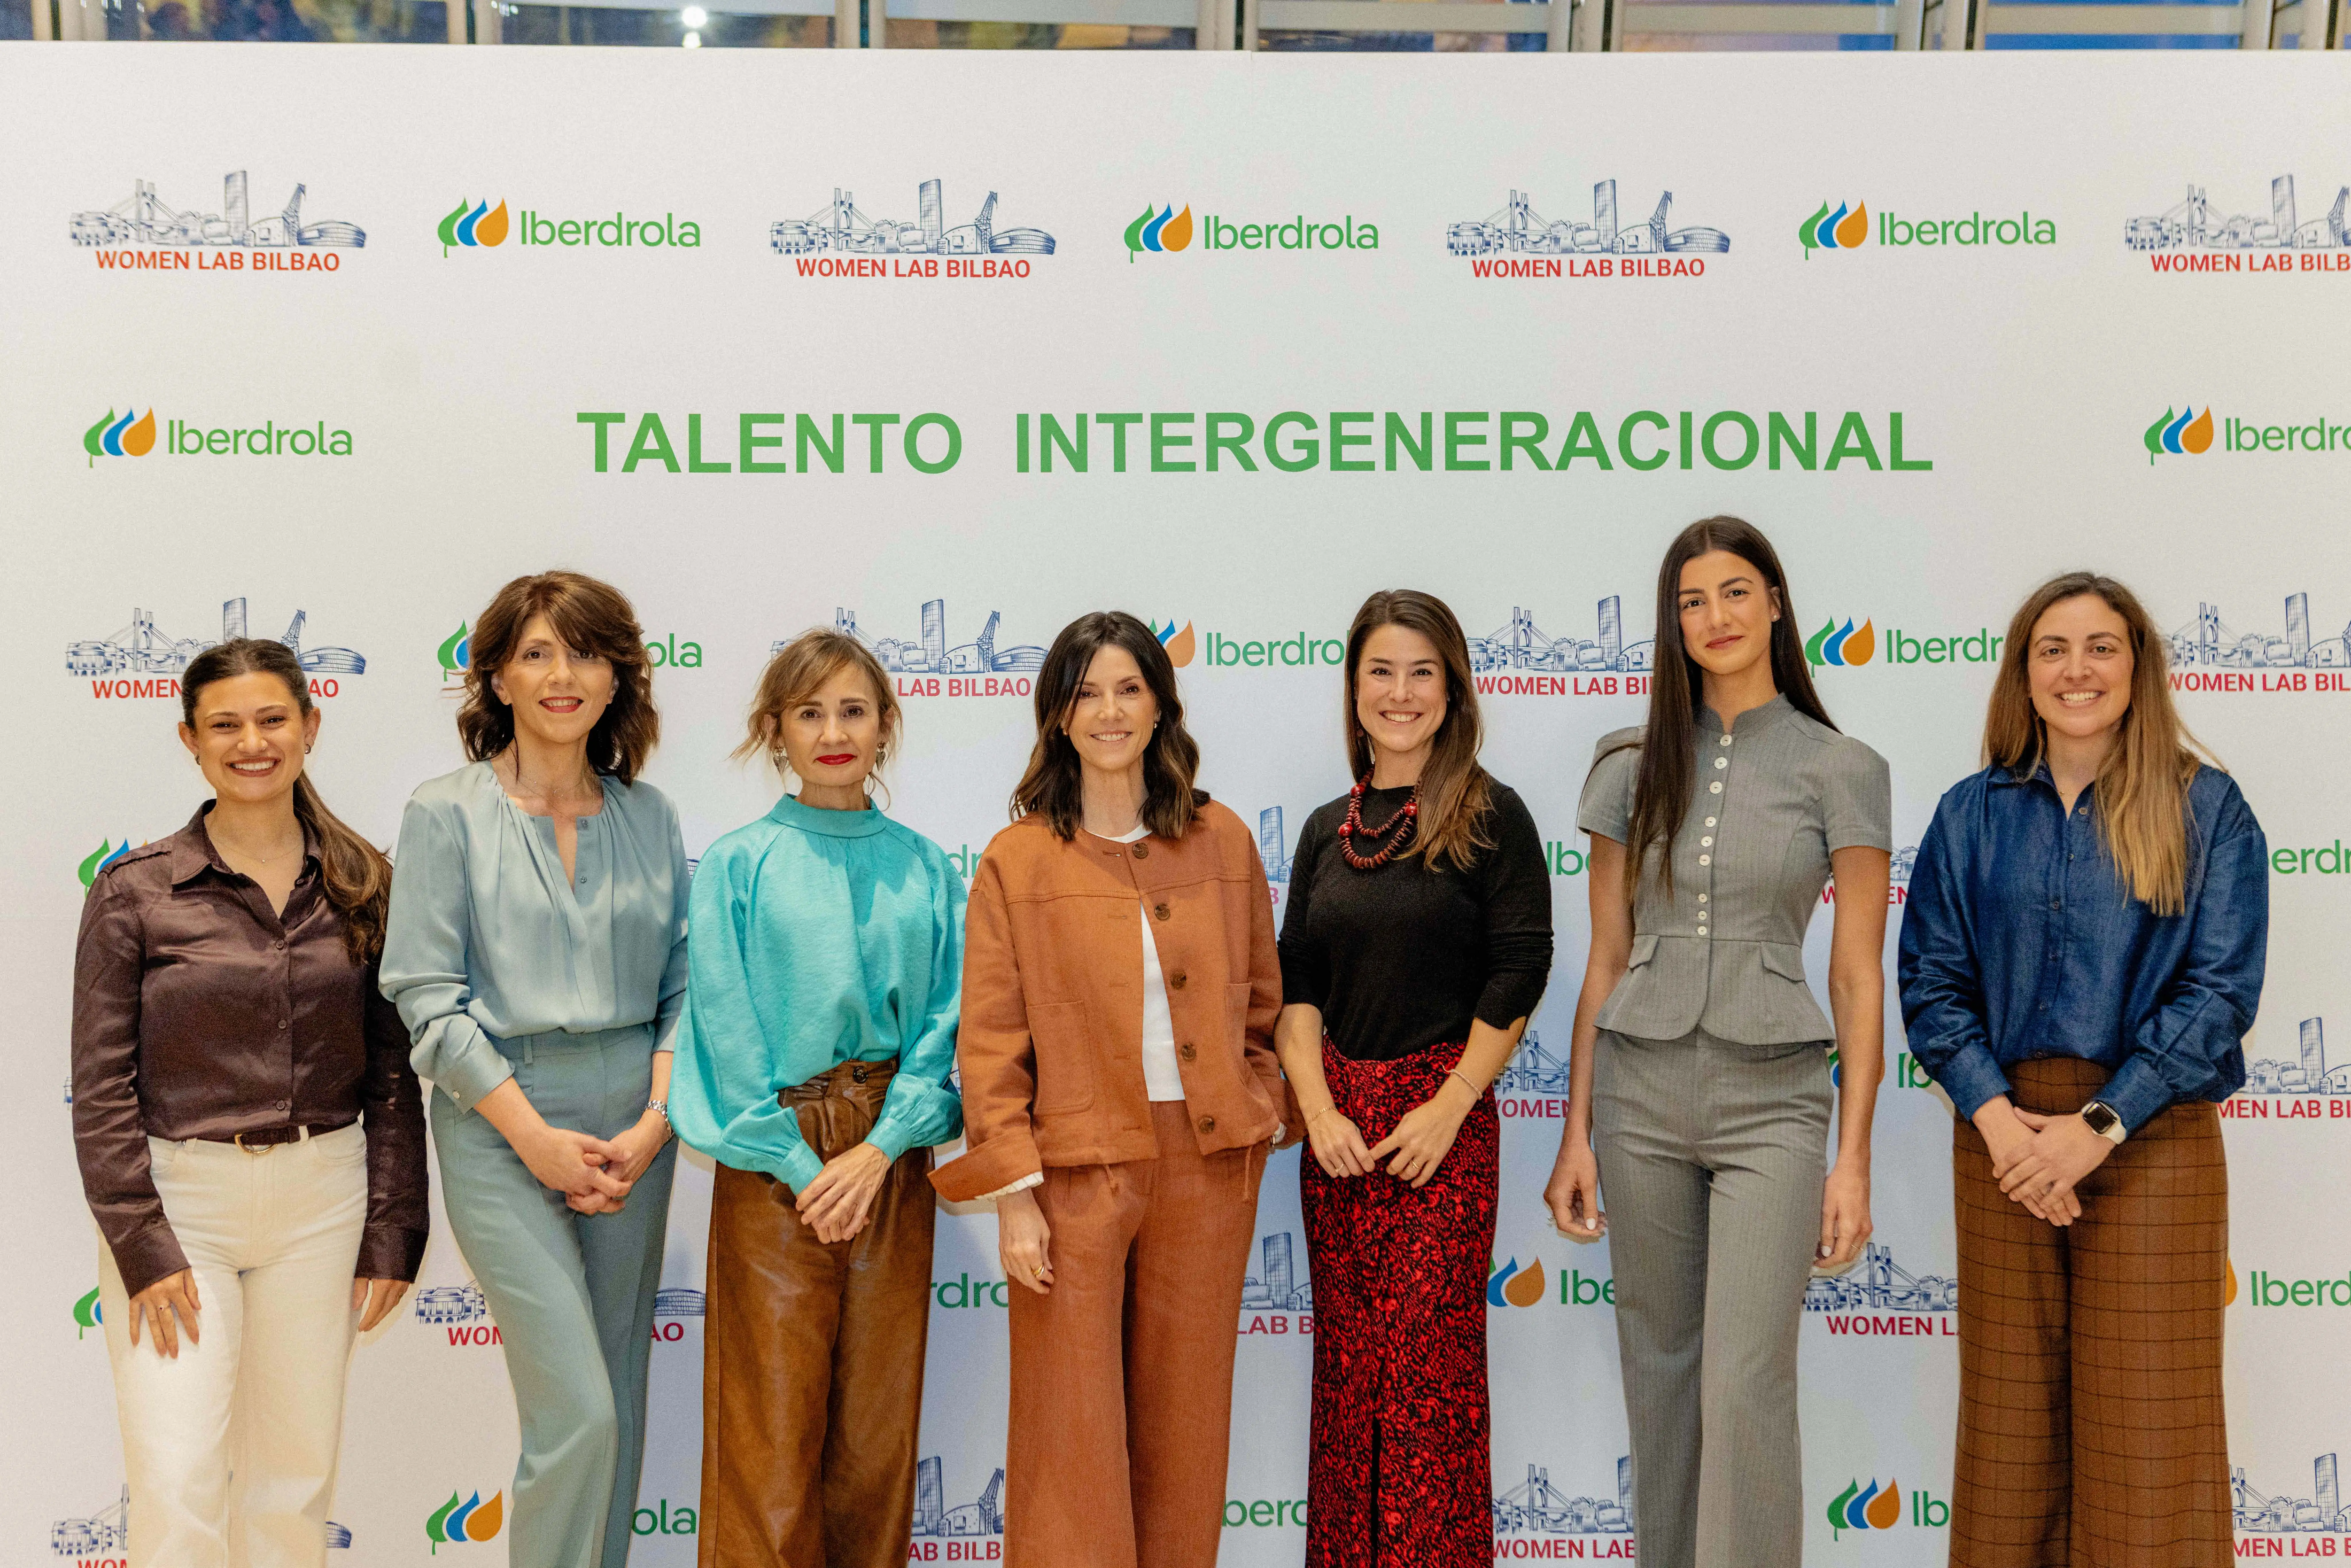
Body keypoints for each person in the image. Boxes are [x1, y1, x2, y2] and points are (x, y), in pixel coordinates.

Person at [1543, 517, 1891, 1568]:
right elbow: (1605, 961)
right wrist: (1576, 1135)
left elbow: (1857, 970)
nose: (1715, 618)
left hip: (1774, 1102)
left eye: (1736, 593)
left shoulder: (1845, 767)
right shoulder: (1628, 763)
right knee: (1660, 1371)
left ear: (1776, 604)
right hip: (1638, 1095)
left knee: (1743, 1381)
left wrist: (1855, 1158)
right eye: (1692, 601)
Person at [1899, 572, 2265, 1568]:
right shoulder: (1971, 813)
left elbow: (2220, 992)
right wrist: (1996, 1117)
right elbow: (1931, 979)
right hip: (2004, 1140)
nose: (2077, 669)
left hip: (2152, 1137)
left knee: (2147, 1434)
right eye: (2052, 649)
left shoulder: (2209, 807)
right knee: (2013, 1433)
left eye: (2101, 646)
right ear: (2023, 674)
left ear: (2138, 667)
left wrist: (2098, 1126)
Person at [930, 610, 1286, 1568]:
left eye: (1129, 687)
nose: (1110, 710)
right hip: (1073, 1175)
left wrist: (1255, 1111)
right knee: (1068, 1437)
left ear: (1163, 706)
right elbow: (991, 1046)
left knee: (1185, 1430)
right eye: (1087, 691)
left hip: (1207, 1171)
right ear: (1056, 715)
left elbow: (1262, 1004)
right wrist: (1014, 1199)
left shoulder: (1224, 842)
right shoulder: (1019, 859)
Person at [72, 637, 428, 1568]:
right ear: (190, 740)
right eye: (224, 725)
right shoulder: (135, 892)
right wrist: (141, 1244)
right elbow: (101, 1086)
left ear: (311, 726)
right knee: (178, 1476)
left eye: (273, 719)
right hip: (181, 1208)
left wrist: (395, 1230)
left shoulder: (364, 882)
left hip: (324, 1202)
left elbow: (392, 1074)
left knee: (294, 1481)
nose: (252, 742)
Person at [381, 571, 687, 1568]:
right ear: (499, 678)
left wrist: (654, 1122)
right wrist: (535, 1140)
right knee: (580, 1411)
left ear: (617, 679)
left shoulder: (652, 816)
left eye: (587, 652)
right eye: (538, 653)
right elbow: (425, 994)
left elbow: (686, 985)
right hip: (501, 1126)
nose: (564, 675)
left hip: (637, 1126)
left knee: (621, 1404)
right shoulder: (445, 813)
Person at [668, 629, 965, 1568]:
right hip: (773, 1158)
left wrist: (880, 1151)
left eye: (853, 709)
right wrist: (803, 1166)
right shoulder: (739, 864)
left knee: (876, 1436)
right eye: (809, 712)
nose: (833, 731)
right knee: (769, 1437)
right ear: (775, 732)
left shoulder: (927, 868)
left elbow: (946, 1028)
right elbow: (722, 1032)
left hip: (891, 1155)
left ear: (886, 726)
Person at [1277, 588, 1551, 1568]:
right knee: (1351, 1380)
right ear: (1354, 688)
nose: (1401, 693)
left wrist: (1450, 1107)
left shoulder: (1493, 815)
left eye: (1422, 672)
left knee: (1428, 1384)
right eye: (1381, 672)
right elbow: (1296, 979)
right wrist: (1316, 1110)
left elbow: (1521, 968)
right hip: (1339, 1139)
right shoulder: (1324, 829)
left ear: (1454, 688)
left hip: (1444, 1131)